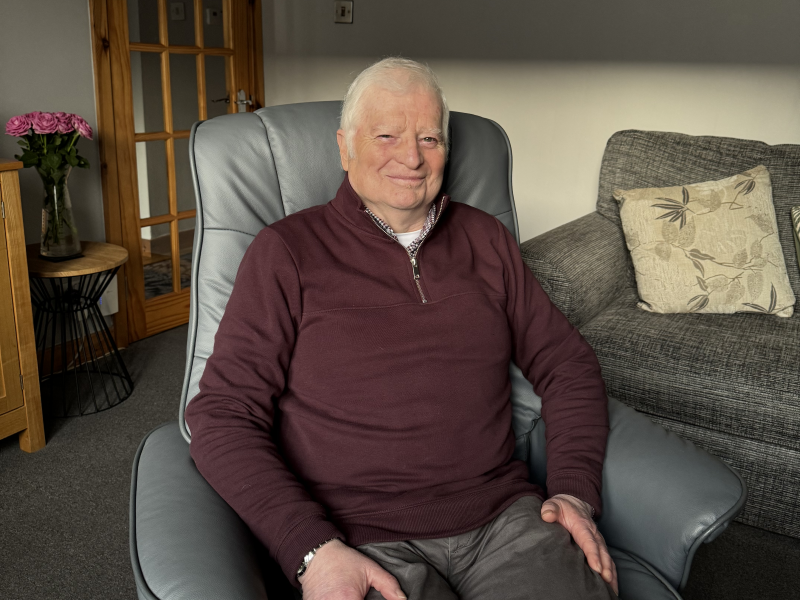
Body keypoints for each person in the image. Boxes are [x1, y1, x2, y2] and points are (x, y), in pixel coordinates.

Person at [185, 57, 618, 600]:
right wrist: (311, 549)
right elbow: (223, 415)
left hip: (504, 519)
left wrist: (575, 491)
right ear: (345, 147)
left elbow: (567, 364)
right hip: (357, 537)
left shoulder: (487, 240)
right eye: (386, 135)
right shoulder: (286, 252)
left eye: (429, 138)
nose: (411, 158)